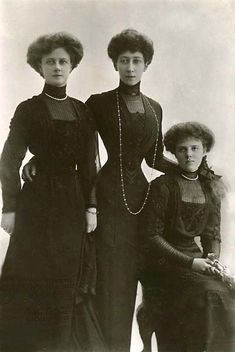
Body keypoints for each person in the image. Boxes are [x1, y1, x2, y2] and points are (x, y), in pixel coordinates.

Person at [22, 28, 177, 352]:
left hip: (141, 200)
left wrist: (193, 170)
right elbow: (77, 146)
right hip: (105, 198)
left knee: (138, 277)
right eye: (124, 61)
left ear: (146, 64)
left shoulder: (155, 108)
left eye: (136, 60)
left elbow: (154, 157)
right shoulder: (99, 104)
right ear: (115, 64)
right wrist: (37, 159)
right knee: (110, 281)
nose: (130, 67)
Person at [0, 32, 106, 352]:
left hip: (71, 204)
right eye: (50, 62)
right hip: (35, 204)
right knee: (30, 275)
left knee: (64, 279)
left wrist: (91, 207)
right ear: (39, 67)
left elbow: (90, 165)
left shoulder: (83, 112)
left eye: (63, 61)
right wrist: (10, 208)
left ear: (72, 66)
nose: (57, 67)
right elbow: (9, 160)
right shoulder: (28, 109)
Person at [137, 122, 235, 352]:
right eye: (182, 149)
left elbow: (212, 233)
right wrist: (191, 263)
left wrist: (212, 259)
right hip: (162, 263)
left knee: (226, 294)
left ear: (204, 150)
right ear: (174, 152)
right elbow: (151, 236)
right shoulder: (162, 186)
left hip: (195, 260)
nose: (189, 154)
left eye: (194, 148)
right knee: (210, 295)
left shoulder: (210, 187)